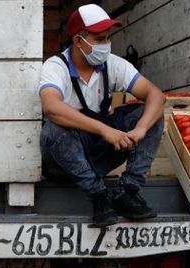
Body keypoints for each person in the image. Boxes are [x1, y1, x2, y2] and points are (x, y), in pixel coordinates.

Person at [39, 3, 166, 227]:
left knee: (148, 113)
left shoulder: (112, 65)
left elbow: (155, 95)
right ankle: (99, 198)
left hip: (98, 150)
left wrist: (141, 129)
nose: (106, 45)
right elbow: (51, 106)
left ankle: (129, 191)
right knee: (53, 129)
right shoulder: (55, 66)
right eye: (99, 39)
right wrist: (106, 131)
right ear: (79, 41)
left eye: (108, 38)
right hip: (64, 160)